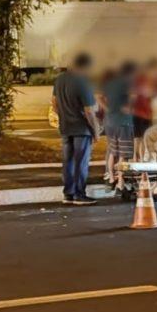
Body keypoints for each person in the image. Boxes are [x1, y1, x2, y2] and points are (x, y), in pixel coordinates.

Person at [51, 53, 100, 205]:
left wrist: (63, 116)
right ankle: (80, 194)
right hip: (81, 128)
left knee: (68, 161)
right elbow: (89, 111)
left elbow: (54, 103)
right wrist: (96, 131)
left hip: (65, 127)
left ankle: (69, 193)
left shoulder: (59, 79)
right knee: (81, 162)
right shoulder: (83, 82)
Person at [102, 62, 136, 185]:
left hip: (110, 121)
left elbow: (99, 96)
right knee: (123, 154)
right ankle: (121, 180)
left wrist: (108, 109)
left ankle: (111, 177)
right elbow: (133, 98)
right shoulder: (128, 84)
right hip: (124, 122)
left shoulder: (110, 83)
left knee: (112, 151)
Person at [132, 59, 157, 162]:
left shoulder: (135, 80)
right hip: (146, 113)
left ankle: (135, 157)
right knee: (143, 138)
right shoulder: (150, 80)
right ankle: (142, 160)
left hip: (136, 112)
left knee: (136, 137)